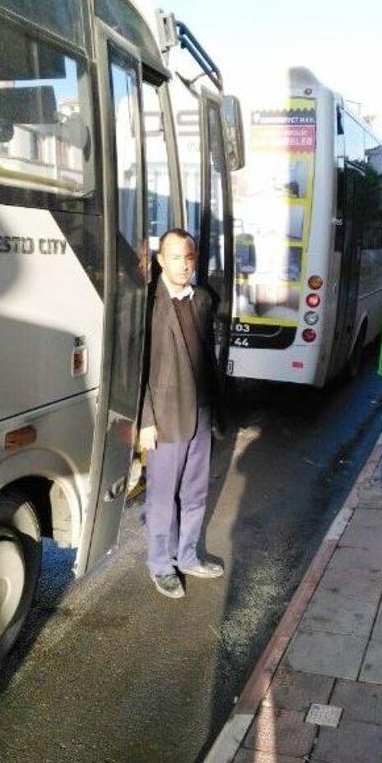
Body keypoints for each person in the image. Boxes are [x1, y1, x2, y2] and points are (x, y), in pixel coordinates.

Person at [139, 228, 224, 599]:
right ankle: (160, 565)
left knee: (194, 493)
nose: (184, 264)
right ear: (160, 260)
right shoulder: (145, 303)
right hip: (165, 416)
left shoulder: (202, 299)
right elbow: (135, 367)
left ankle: (186, 555)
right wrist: (144, 421)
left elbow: (208, 356)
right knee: (161, 498)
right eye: (175, 257)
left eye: (189, 257)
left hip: (201, 411)